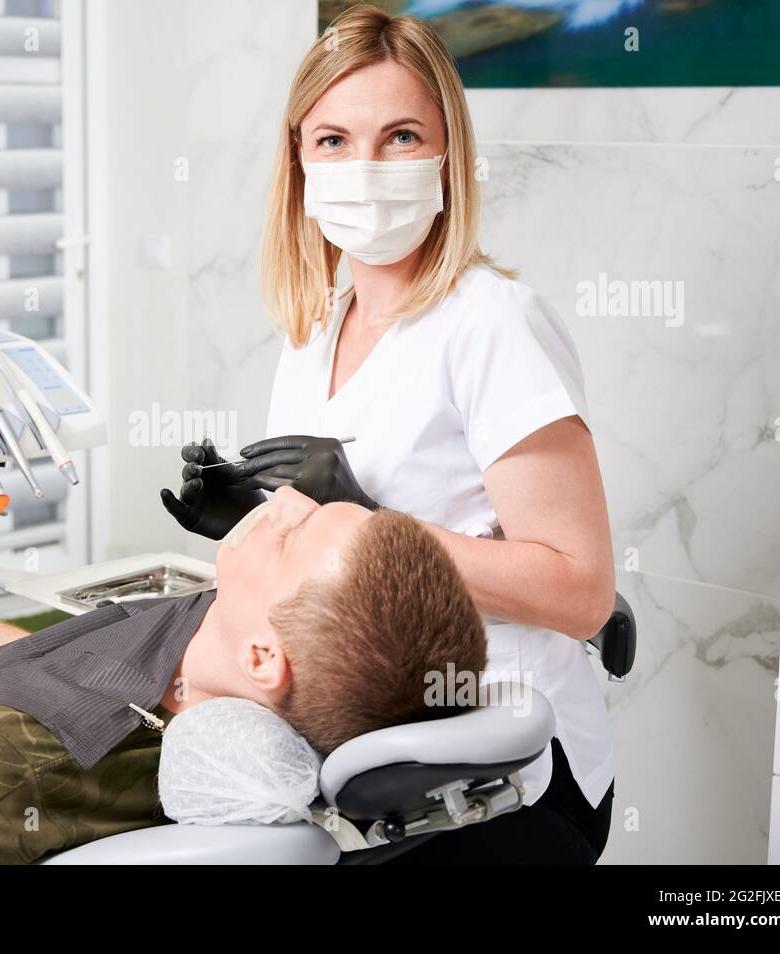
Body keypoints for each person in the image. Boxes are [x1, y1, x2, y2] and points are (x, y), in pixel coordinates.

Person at [161, 5, 616, 864]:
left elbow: (581, 592)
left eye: (400, 136)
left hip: (493, 764)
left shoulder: (493, 325)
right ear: (297, 160)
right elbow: (326, 564)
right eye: (332, 140)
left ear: (448, 153)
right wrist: (258, 520)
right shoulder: (315, 324)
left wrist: (370, 523)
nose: (363, 168)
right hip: (364, 730)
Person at [0, 487, 486, 864]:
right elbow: (99, 687)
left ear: (265, 660)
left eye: (295, 533)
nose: (281, 497)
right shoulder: (225, 663)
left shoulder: (12, 772)